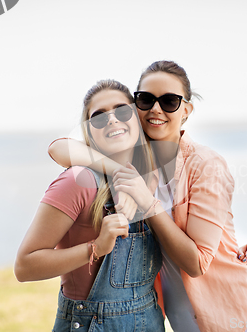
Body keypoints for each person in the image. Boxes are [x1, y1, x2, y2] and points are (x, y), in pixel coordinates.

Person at [48, 61, 247, 332]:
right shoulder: (137, 161)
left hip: (242, 320)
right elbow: (58, 148)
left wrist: (147, 203)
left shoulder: (206, 165)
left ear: (186, 110)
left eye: (169, 101)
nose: (156, 109)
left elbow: (197, 263)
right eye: (146, 99)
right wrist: (118, 170)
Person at [14, 80, 165, 331]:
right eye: (98, 117)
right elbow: (24, 266)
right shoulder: (78, 180)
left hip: (149, 322)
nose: (113, 120)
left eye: (122, 110)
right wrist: (95, 247)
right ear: (89, 131)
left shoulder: (150, 178)